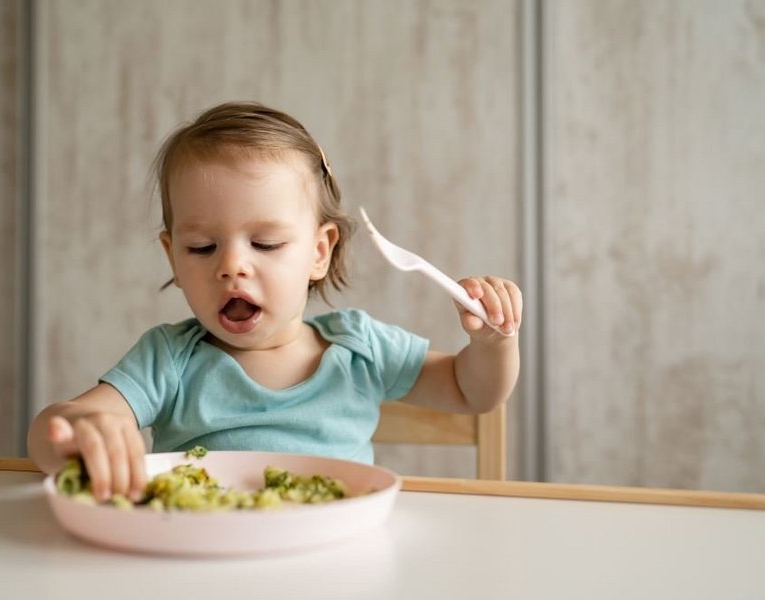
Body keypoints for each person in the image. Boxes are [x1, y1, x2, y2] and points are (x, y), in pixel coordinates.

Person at [28, 101, 522, 502]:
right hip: (199, 564)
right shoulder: (169, 360)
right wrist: (79, 432)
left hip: (334, 563)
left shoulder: (360, 348)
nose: (232, 266)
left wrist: (494, 342)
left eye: (265, 244)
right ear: (173, 258)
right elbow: (51, 432)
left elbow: (470, 390)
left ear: (319, 252)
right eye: (201, 248)